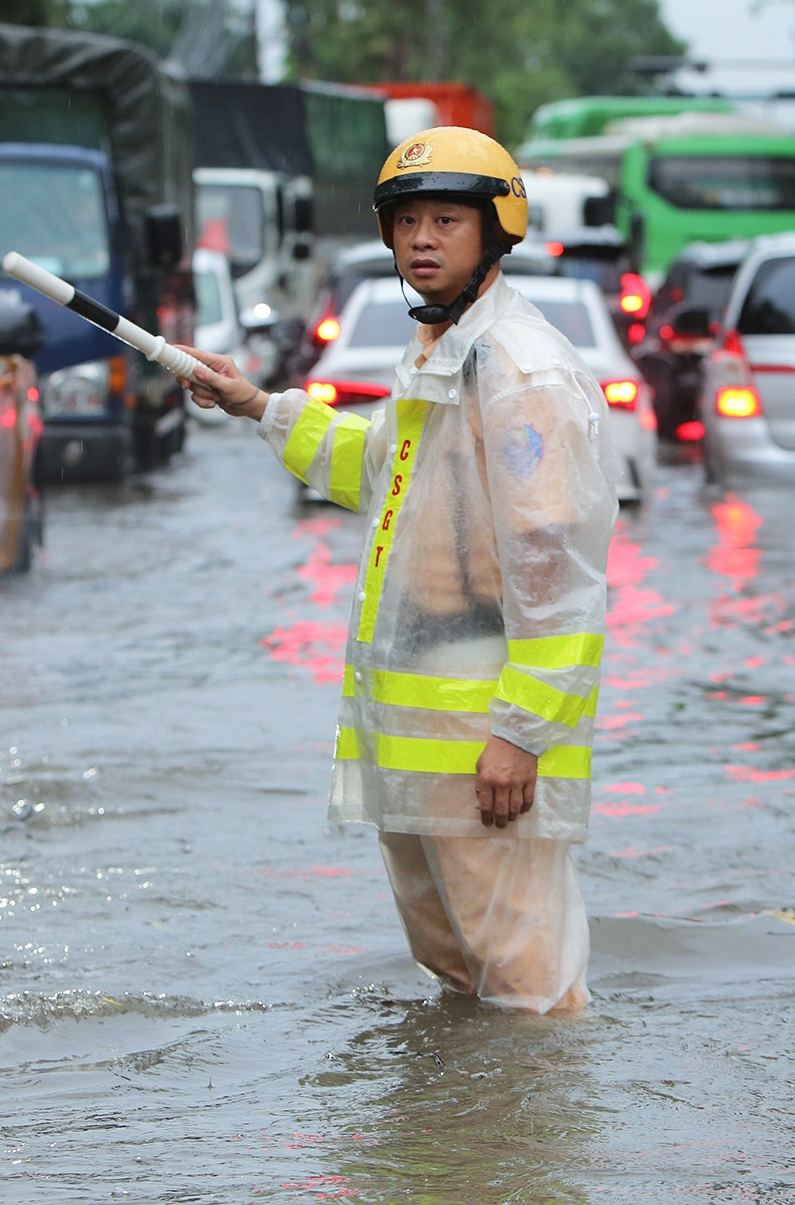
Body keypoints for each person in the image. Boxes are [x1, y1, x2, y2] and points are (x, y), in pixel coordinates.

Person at [182, 128, 616, 1015]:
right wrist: (259, 405)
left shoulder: (517, 367)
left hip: (488, 744)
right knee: (461, 979)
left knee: (527, 988)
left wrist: (522, 733)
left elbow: (554, 563)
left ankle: (531, 1149)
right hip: (422, 738)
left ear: (497, 229)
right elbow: (383, 472)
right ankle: (462, 1148)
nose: (421, 239)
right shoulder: (442, 350)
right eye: (406, 220)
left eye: (446, 220)